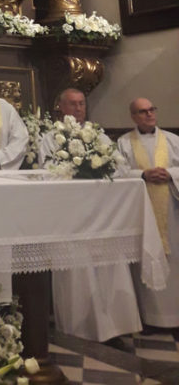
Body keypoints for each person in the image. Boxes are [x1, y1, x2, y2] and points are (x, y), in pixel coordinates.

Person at [40, 87, 141, 343]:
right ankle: (79, 329)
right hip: (71, 218)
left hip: (102, 216)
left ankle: (114, 327)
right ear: (60, 107)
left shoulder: (99, 136)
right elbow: (48, 171)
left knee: (111, 268)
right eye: (72, 104)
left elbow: (120, 165)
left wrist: (98, 170)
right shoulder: (51, 138)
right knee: (78, 271)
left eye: (82, 104)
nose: (78, 109)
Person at [117, 98, 179, 328]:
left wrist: (171, 174)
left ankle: (175, 319)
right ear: (133, 116)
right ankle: (150, 319)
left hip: (172, 212)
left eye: (152, 109)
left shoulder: (173, 141)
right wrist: (142, 175)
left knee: (174, 262)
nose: (149, 114)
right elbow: (119, 172)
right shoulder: (123, 143)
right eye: (142, 112)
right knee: (145, 257)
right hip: (141, 212)